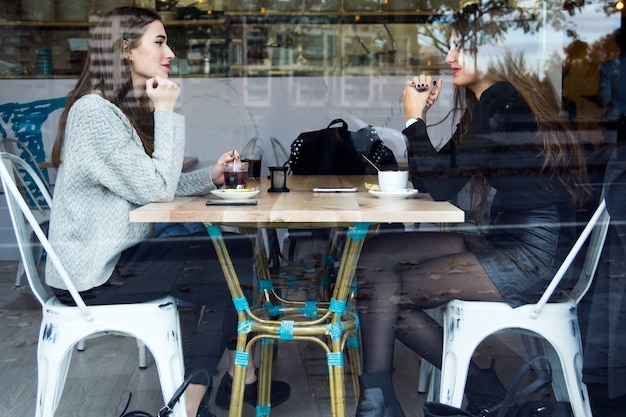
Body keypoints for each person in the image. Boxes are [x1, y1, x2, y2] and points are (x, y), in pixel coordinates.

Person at [46, 7, 289, 416]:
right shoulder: (94, 113)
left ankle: (235, 380)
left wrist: (211, 176)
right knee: (224, 268)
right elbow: (156, 191)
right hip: (93, 273)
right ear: (125, 50)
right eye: (159, 42)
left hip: (116, 258)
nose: (169, 52)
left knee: (238, 256)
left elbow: (150, 185)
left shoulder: (112, 109)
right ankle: (190, 405)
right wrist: (165, 111)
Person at [354, 2, 590, 416]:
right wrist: (421, 117)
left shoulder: (502, 100)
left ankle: (408, 398)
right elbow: (436, 181)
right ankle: (389, 399)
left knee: (384, 297)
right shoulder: (496, 103)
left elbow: (442, 185)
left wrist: (413, 121)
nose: (448, 58)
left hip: (533, 254)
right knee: (375, 255)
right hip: (509, 241)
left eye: (460, 46)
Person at [598, 29, 626, 143]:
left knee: (611, 158)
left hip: (616, 124)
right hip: (616, 124)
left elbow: (605, 101)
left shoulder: (608, 67)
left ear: (618, 43)